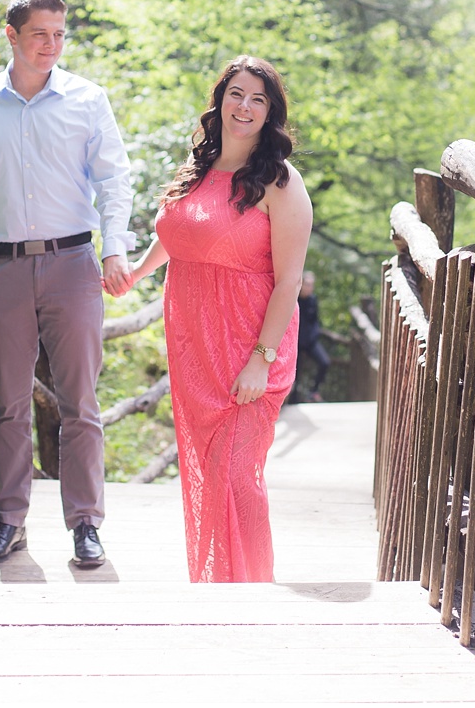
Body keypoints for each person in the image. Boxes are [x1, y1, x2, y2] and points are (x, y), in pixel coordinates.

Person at [0, 0, 136, 569]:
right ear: (11, 36)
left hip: (73, 265)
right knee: (8, 403)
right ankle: (9, 521)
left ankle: (85, 525)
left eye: (59, 35)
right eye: (39, 35)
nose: (51, 46)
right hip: (0, 267)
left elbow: (114, 181)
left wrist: (114, 250)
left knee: (80, 401)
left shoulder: (87, 99)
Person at [113, 55, 313, 583]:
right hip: (193, 341)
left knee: (237, 474)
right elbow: (180, 233)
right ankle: (215, 584)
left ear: (270, 112)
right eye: (236, 94)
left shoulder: (280, 182)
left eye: (257, 99)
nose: (244, 107)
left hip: (251, 342)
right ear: (220, 100)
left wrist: (260, 361)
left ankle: (252, 591)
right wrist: (137, 272)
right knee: (206, 464)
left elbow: (290, 282)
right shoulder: (199, 168)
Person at [296, 270, 331, 403]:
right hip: (296, 343)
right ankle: (292, 398)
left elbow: (315, 321)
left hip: (311, 341)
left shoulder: (313, 300)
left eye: (312, 285)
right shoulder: (294, 299)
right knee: (294, 372)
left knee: (325, 362)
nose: (309, 288)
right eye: (307, 284)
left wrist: (313, 336)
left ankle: (314, 391)